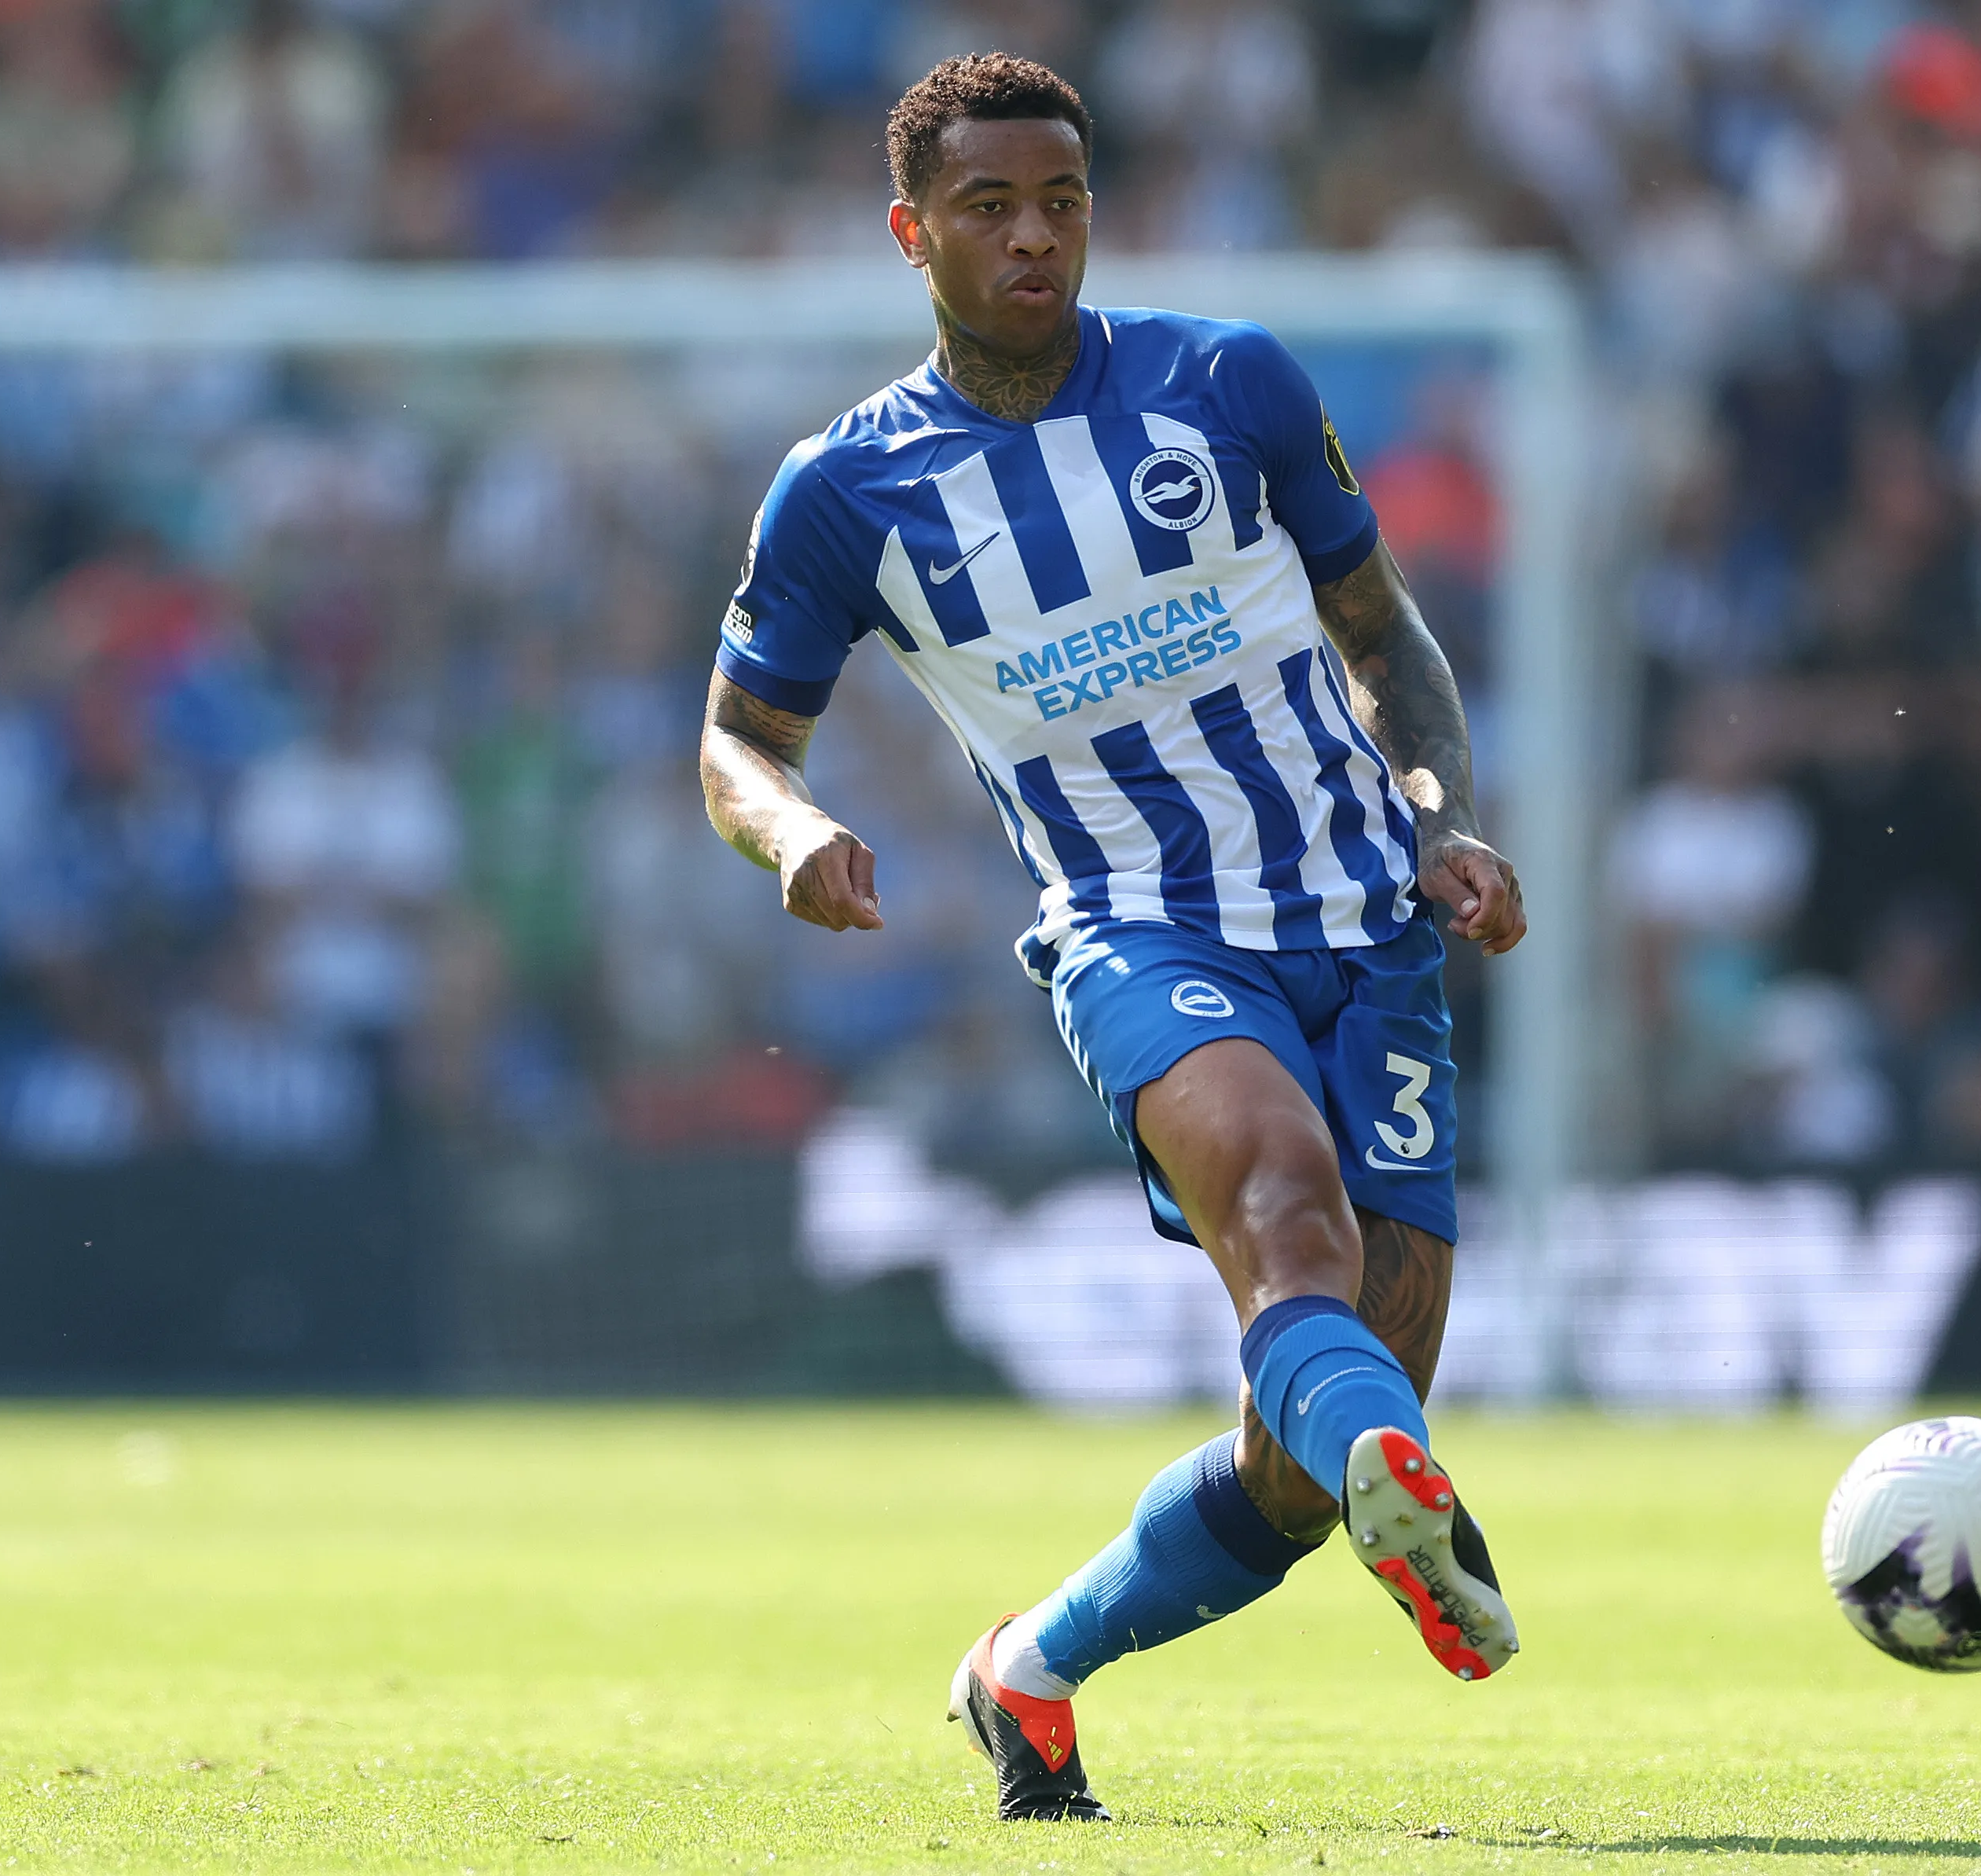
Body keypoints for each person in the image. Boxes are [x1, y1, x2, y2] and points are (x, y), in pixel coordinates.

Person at [695, 55, 1528, 1823]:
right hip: (1138, 931)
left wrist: (1442, 810)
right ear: (911, 233)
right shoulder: (847, 491)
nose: (1031, 238)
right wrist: (791, 830)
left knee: (1298, 1466)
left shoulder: (1225, 382)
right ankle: (1391, 1469)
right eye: (987, 208)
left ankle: (1031, 1665)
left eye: (1060, 202)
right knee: (1285, 1218)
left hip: (1365, 925)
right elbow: (736, 739)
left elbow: (1384, 634)